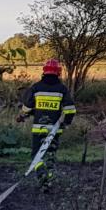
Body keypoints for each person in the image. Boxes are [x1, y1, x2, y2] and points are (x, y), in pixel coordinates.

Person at [16, 59, 76, 188]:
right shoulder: (62, 89)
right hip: (55, 130)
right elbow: (70, 110)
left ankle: (41, 175)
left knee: (36, 155)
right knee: (50, 155)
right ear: (58, 73)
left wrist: (24, 115)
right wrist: (66, 123)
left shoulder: (36, 87)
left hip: (38, 129)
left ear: (44, 72)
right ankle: (49, 179)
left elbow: (27, 107)